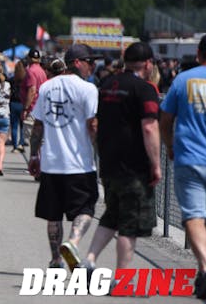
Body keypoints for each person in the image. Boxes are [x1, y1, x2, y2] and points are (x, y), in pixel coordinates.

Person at [79, 42, 161, 276]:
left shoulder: (106, 85)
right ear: (148, 64)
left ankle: (89, 260)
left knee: (112, 215)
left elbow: (94, 123)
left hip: (109, 163)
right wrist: (156, 164)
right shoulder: (144, 89)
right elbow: (149, 127)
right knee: (129, 225)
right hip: (134, 167)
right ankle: (121, 279)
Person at [27, 43, 100, 271]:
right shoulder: (88, 89)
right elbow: (93, 125)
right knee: (86, 209)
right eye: (90, 62)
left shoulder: (47, 87)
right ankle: (73, 242)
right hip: (79, 164)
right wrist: (101, 152)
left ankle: (56, 260)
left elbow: (38, 125)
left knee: (54, 214)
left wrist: (33, 155)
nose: (93, 66)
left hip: (51, 163)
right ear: (77, 62)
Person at [159, 34, 206, 298]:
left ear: (198, 54)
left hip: (189, 157)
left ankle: (205, 267)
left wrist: (169, 146)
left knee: (193, 215)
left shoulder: (182, 80)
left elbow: (165, 120)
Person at [20, 49, 47, 159]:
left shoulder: (30, 71)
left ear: (29, 59)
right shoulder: (41, 71)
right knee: (40, 139)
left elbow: (32, 90)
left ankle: (35, 161)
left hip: (33, 109)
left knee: (33, 138)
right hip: (41, 107)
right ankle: (40, 161)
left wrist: (26, 108)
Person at [8, 60, 26, 152]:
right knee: (22, 125)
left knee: (14, 125)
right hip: (22, 103)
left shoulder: (12, 79)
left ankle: (15, 145)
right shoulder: (25, 79)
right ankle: (21, 143)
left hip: (13, 103)